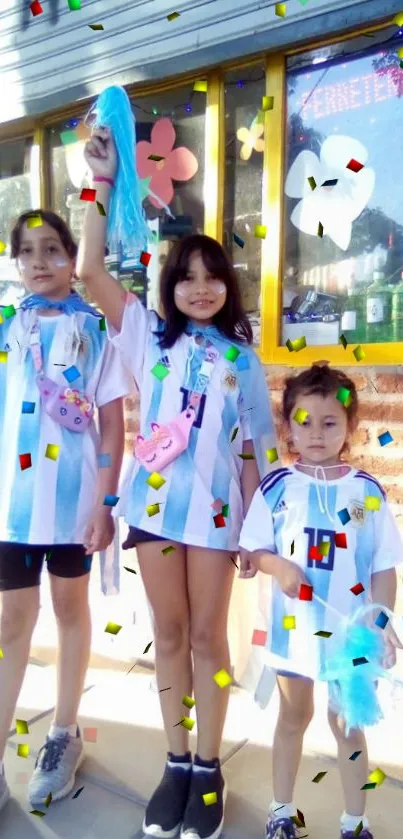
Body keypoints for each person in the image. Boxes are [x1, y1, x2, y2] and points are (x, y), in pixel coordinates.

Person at [77, 126, 276, 839]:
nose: (199, 286)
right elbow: (91, 273)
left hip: (219, 521)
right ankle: (176, 760)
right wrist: (97, 184)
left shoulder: (242, 361)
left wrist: (259, 529)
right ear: (171, 285)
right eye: (186, 275)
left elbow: (257, 449)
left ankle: (209, 764)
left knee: (206, 640)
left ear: (227, 286)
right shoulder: (146, 336)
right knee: (164, 634)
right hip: (155, 514)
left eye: (211, 275)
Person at [0, 210, 131, 814]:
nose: (39, 262)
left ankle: (63, 733)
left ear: (72, 255)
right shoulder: (6, 328)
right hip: (11, 512)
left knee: (70, 612)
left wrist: (106, 503)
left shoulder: (96, 329)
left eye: (52, 249)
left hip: (75, 509)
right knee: (10, 625)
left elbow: (111, 425)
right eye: (27, 252)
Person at [239, 363, 403, 839]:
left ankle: (355, 821)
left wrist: (381, 621)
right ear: (288, 425)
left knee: (348, 727)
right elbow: (255, 552)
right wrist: (280, 567)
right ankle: (281, 811)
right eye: (303, 421)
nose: (315, 433)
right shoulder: (277, 488)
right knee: (294, 717)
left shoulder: (366, 492)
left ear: (350, 427)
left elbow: (382, 566)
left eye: (329, 422)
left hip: (349, 638)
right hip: (295, 635)